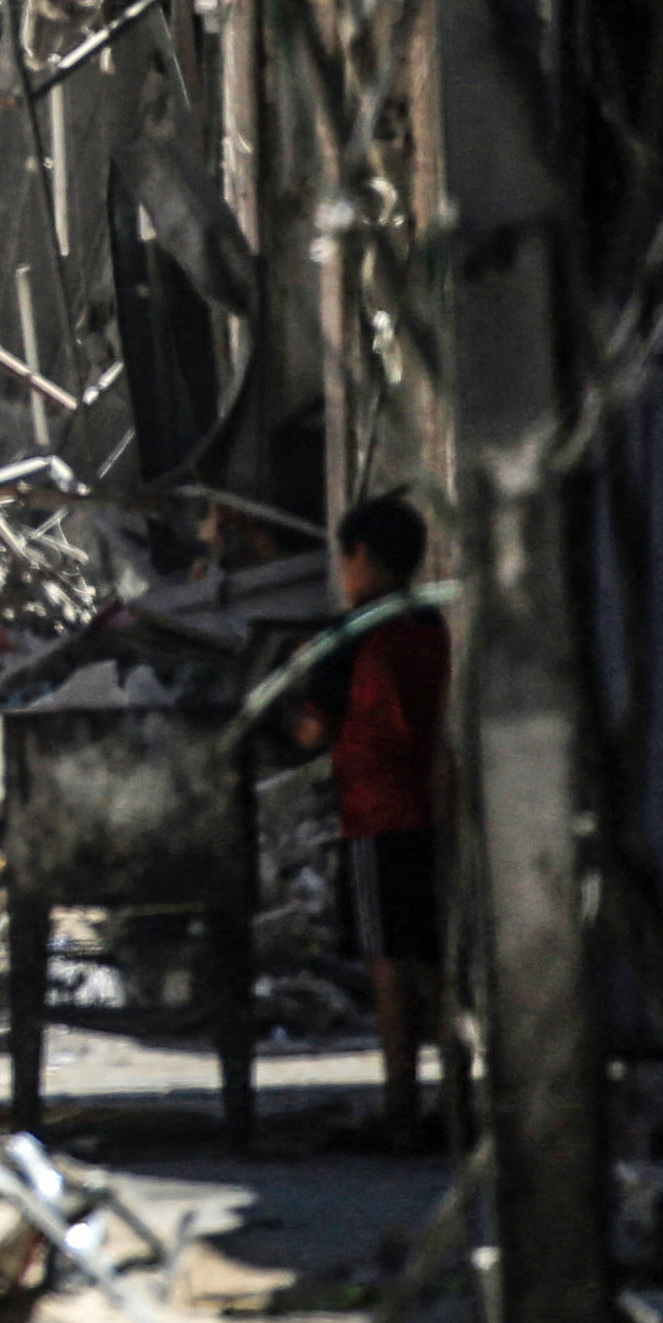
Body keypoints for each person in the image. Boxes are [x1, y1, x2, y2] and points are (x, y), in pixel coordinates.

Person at [289, 491, 453, 1147]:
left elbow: (308, 734)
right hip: (433, 810)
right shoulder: (428, 624)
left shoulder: (349, 637)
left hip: (376, 815)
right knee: (437, 962)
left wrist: (292, 684)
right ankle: (461, 1098)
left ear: (361, 556)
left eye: (344, 557)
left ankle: (401, 1107)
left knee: (389, 964)